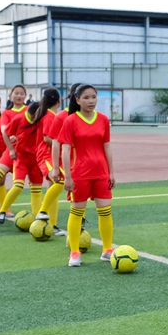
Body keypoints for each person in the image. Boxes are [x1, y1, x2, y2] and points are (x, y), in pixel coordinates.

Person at [59, 84, 115, 267]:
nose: (91, 101)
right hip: (80, 174)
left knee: (105, 212)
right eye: (86, 98)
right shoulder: (70, 121)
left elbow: (107, 146)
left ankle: (107, 250)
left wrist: (111, 172)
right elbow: (65, 150)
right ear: (77, 100)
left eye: (93, 97)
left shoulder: (104, 120)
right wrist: (67, 176)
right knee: (77, 212)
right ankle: (74, 252)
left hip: (101, 173)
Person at [35, 83, 81, 236]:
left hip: (69, 158)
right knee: (59, 181)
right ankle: (42, 212)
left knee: (61, 187)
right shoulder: (58, 116)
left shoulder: (85, 116)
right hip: (48, 155)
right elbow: (50, 140)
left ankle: (54, 224)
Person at [0, 101, 44, 224]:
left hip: (36, 160)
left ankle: (37, 217)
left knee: (37, 190)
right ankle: (2, 211)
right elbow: (5, 132)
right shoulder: (19, 119)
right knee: (18, 186)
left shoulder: (42, 120)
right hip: (21, 158)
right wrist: (11, 149)